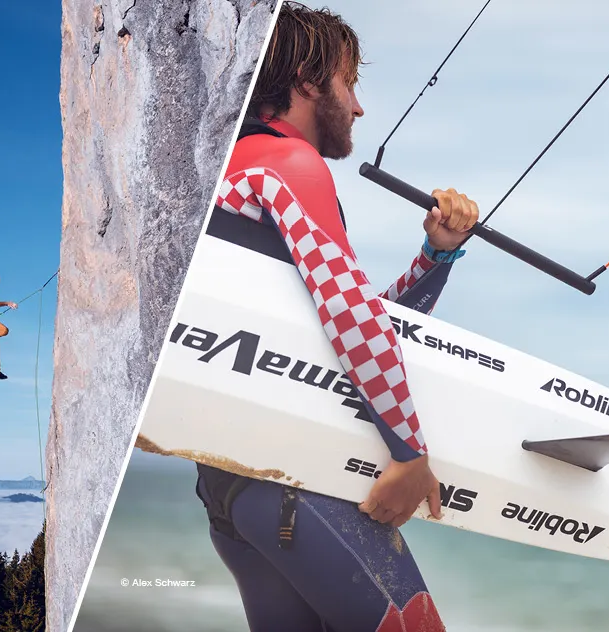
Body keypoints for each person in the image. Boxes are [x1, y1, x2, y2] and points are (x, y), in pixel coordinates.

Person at [196, 4, 481, 631]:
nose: (357, 108)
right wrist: (409, 455)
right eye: (349, 84)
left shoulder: (231, 169)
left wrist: (436, 253)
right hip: (290, 478)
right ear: (306, 79)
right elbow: (352, 317)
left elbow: (338, 331)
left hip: (232, 490)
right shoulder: (289, 165)